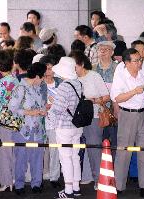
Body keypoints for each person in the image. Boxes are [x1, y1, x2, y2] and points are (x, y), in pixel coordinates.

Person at [110, 48, 144, 197]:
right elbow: (117, 98)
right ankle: (119, 186)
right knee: (123, 152)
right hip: (128, 114)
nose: (139, 63)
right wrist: (133, 91)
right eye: (135, 61)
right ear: (126, 62)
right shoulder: (121, 75)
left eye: (140, 59)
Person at [70, 50, 109, 190]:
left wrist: (91, 101)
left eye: (74, 65)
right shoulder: (71, 79)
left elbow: (106, 96)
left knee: (94, 148)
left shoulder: (94, 76)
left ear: (81, 64)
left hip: (94, 116)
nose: (72, 69)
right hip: (75, 118)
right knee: (78, 149)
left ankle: (99, 180)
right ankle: (84, 176)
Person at [9, 62, 47, 195]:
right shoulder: (20, 88)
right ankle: (19, 184)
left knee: (37, 157)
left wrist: (43, 110)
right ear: (37, 76)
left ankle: (36, 183)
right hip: (22, 130)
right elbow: (12, 108)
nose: (43, 80)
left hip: (37, 129)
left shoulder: (37, 88)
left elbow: (41, 105)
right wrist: (31, 112)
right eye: (42, 77)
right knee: (20, 158)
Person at [47, 57, 83, 198]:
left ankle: (68, 191)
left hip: (64, 127)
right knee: (74, 156)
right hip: (76, 126)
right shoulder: (77, 83)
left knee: (65, 158)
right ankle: (76, 187)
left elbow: (58, 109)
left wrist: (50, 115)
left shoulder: (64, 86)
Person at [39, 55, 63, 188]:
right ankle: (38, 176)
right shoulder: (38, 82)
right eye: (47, 68)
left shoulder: (60, 82)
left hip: (56, 121)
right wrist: (44, 106)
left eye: (52, 67)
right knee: (39, 150)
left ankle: (54, 177)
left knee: (55, 150)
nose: (50, 70)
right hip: (40, 120)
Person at [0, 50, 19, 192]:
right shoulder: (15, 79)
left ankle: (6, 181)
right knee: (14, 151)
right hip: (16, 119)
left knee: (3, 152)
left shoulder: (1, 83)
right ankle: (14, 179)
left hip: (3, 121)